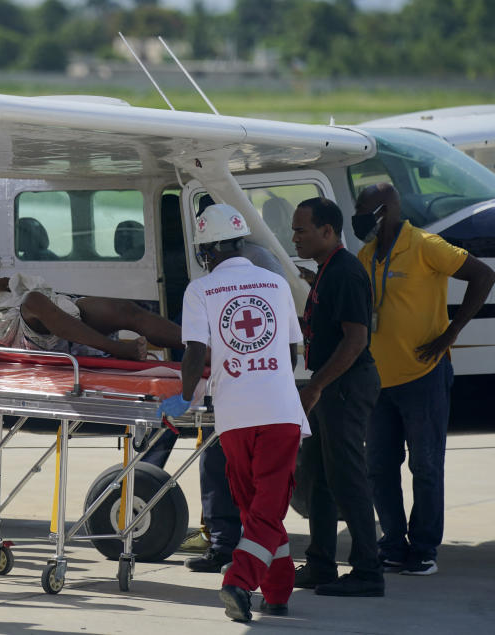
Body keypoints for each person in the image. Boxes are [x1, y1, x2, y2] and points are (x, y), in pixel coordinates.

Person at [157, 203, 307, 623]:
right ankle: (241, 583)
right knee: (267, 508)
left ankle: (273, 592)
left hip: (234, 417)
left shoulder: (200, 290)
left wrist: (183, 401)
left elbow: (196, 354)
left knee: (255, 508)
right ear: (241, 242)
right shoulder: (276, 285)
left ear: (206, 251)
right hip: (279, 411)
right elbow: (293, 353)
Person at [354, 183, 495, 576]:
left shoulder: (426, 245)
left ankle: (425, 548)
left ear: (386, 209)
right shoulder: (366, 255)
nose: (360, 218)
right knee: (379, 467)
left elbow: (483, 276)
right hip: (378, 382)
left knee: (426, 466)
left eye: (365, 210)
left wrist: (452, 332)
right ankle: (393, 545)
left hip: (423, 376)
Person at [291, 197, 384, 597]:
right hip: (332, 386)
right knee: (319, 479)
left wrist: (316, 386)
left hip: (344, 385)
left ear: (327, 231)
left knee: (348, 479)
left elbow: (356, 340)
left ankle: (368, 571)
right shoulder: (327, 271)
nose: (294, 238)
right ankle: (321, 564)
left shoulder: (344, 272)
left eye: (301, 230)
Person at [0, 274, 184, 360]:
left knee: (125, 311)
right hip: (22, 337)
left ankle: (200, 348)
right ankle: (117, 349)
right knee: (33, 301)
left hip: (45, 321)